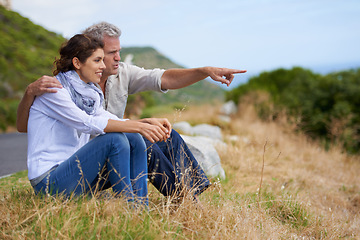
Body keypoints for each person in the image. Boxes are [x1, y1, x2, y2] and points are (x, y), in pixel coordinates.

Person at [17, 21, 247, 200]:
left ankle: (187, 197)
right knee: (134, 138)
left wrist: (204, 71)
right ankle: (177, 197)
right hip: (87, 157)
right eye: (105, 55)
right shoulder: (58, 88)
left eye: (118, 51)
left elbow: (163, 78)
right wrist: (137, 126)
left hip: (97, 156)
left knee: (166, 134)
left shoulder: (106, 81)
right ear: (83, 58)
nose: (116, 59)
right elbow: (87, 123)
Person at [27, 34, 171, 207]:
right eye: (97, 60)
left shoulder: (88, 92)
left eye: (103, 60)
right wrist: (139, 126)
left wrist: (145, 123)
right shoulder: (55, 90)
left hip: (74, 173)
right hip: (49, 182)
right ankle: (126, 208)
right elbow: (87, 123)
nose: (103, 66)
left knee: (133, 137)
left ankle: (140, 207)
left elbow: (106, 118)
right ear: (77, 63)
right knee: (115, 139)